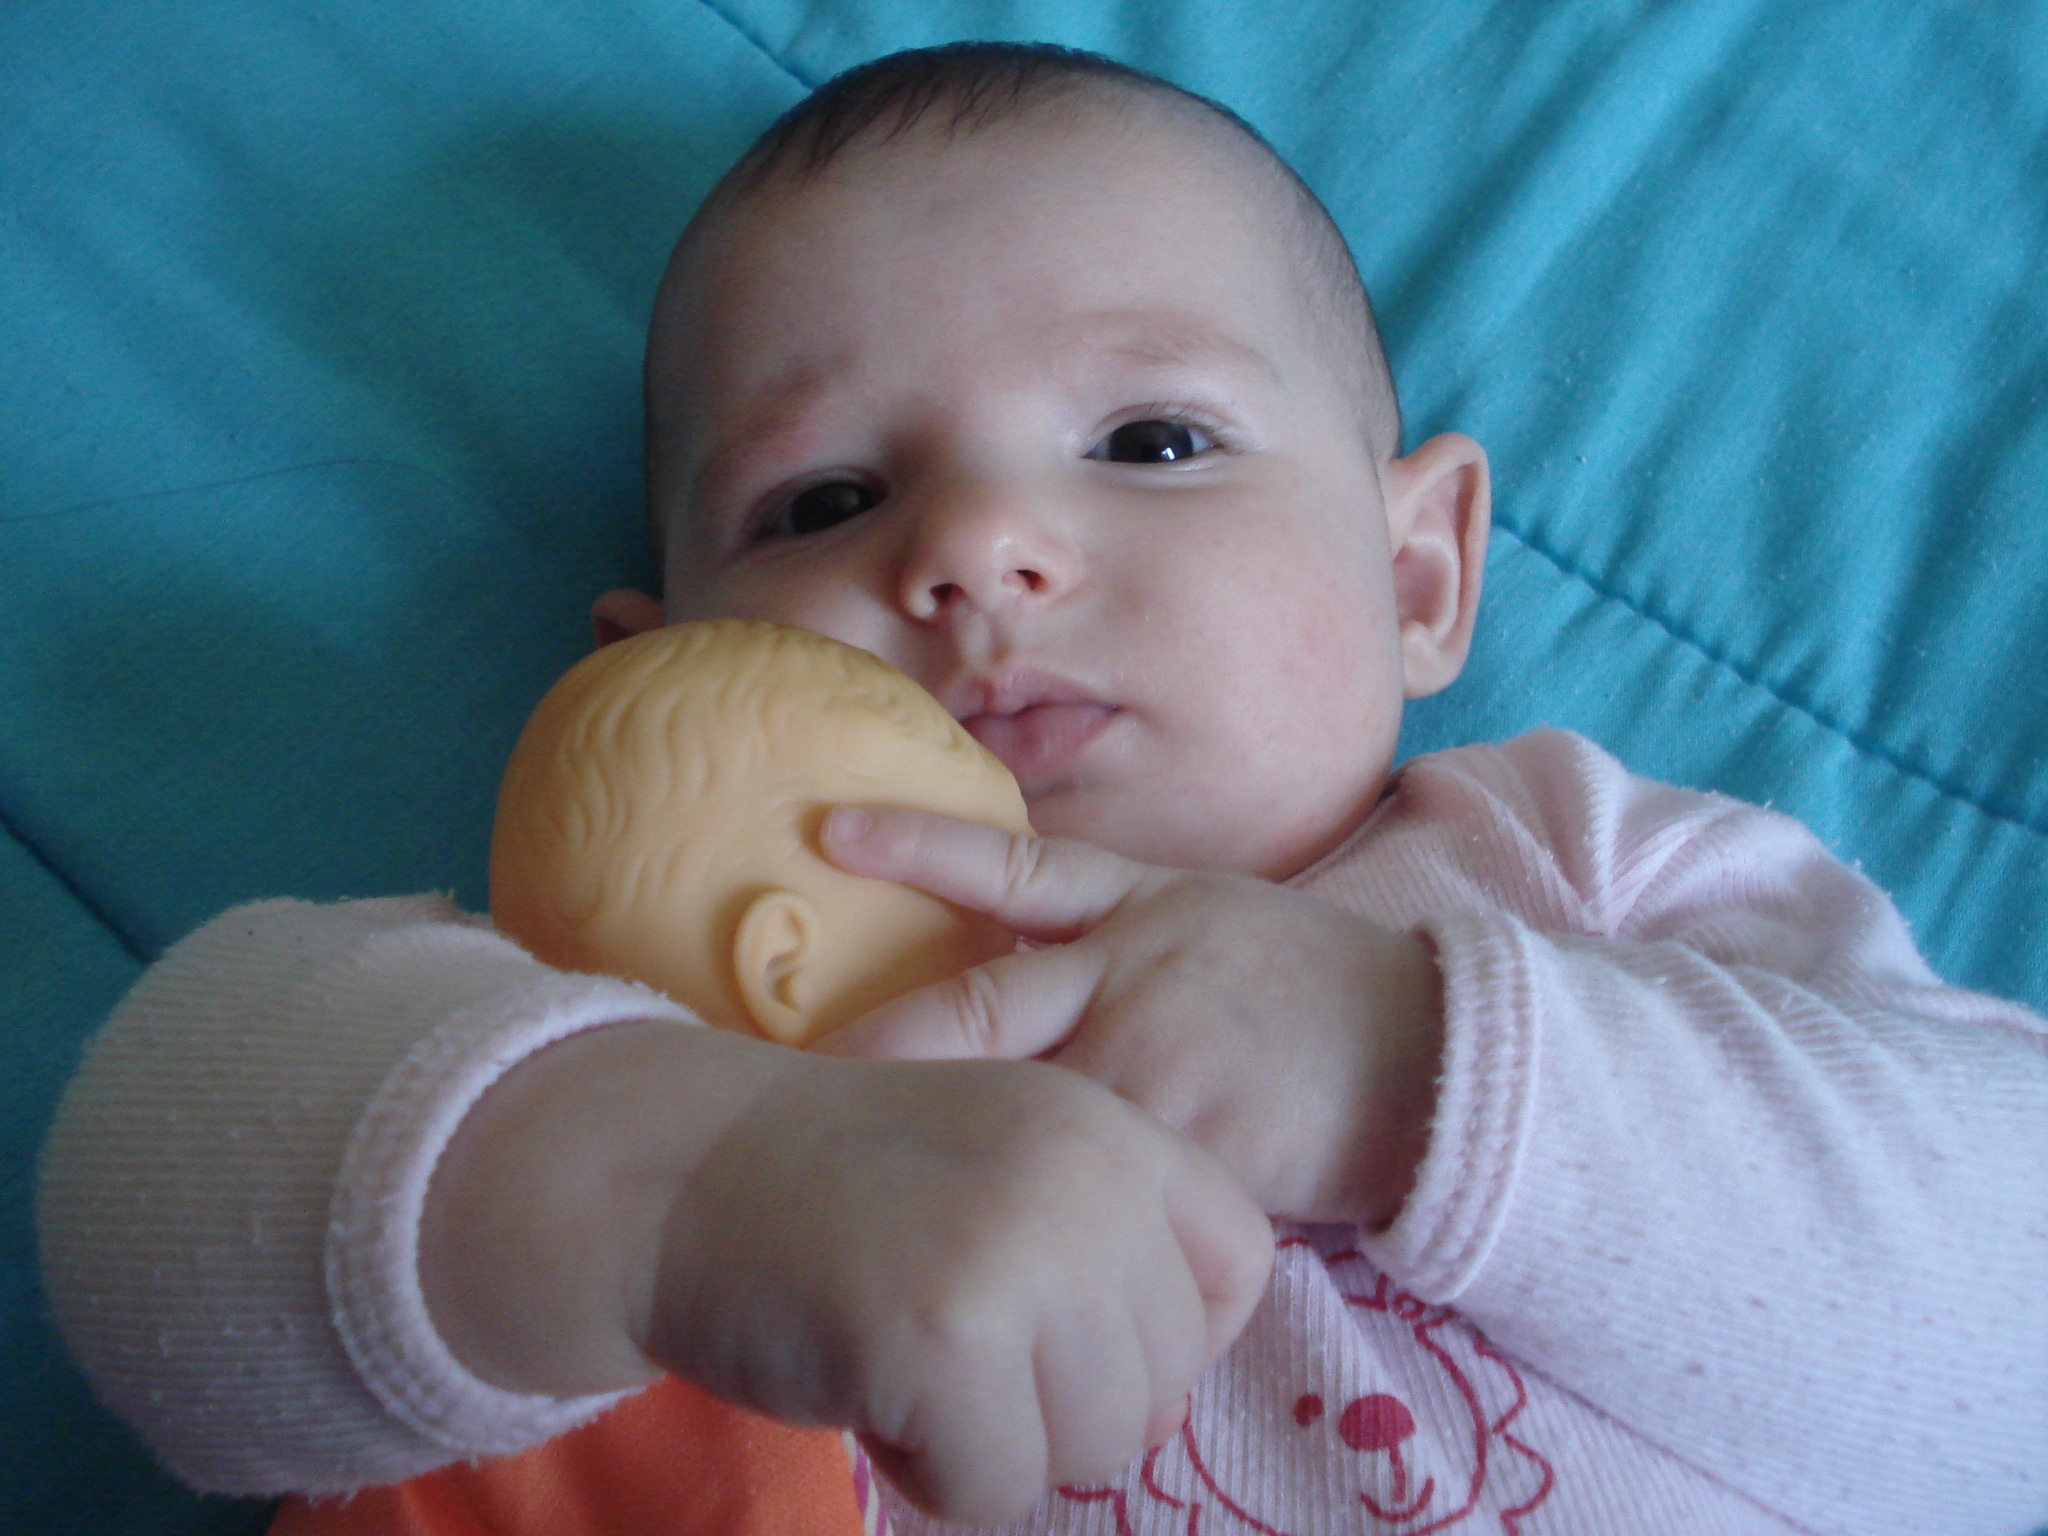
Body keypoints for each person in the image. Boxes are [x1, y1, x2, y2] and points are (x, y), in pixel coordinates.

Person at [36, 41, 2048, 1536]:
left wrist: (1416, 1062)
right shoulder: (635, 1006)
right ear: (646, 669)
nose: (977, 546)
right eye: (825, 499)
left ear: (1420, 571)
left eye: (1153, 440)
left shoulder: (1559, 871)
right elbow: (152, 1256)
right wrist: (679, 1188)